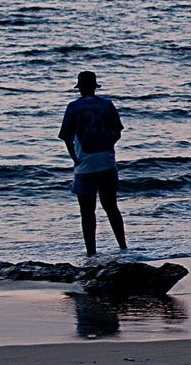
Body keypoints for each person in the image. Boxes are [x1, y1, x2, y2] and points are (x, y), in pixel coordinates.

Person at [59, 71, 127, 256]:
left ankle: (91, 252)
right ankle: (123, 247)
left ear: (80, 88)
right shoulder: (107, 104)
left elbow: (66, 138)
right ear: (95, 87)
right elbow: (117, 131)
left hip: (85, 164)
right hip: (106, 162)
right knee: (111, 207)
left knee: (88, 212)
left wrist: (75, 158)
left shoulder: (73, 107)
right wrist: (107, 146)